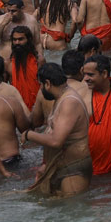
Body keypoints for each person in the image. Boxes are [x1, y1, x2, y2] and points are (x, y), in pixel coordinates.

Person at [27, 62, 92, 197]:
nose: (40, 89)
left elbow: (56, 141)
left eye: (40, 85)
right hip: (59, 165)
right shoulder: (61, 98)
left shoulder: (69, 102)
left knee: (70, 210)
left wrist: (29, 135)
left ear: (48, 84)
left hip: (73, 169)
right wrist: (46, 165)